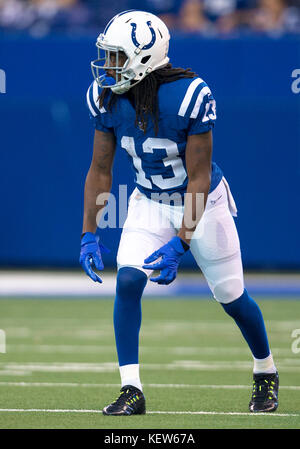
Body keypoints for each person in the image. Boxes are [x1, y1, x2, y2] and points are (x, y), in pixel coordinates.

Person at [80, 9, 279, 416]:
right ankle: (131, 389)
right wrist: (89, 233)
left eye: (117, 56)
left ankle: (265, 370)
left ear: (144, 57)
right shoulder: (105, 97)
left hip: (201, 203)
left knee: (231, 297)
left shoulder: (189, 95)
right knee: (129, 280)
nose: (108, 65)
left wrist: (181, 242)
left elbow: (199, 178)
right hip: (149, 201)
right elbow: (100, 170)